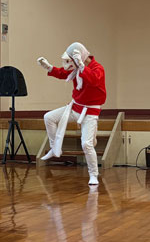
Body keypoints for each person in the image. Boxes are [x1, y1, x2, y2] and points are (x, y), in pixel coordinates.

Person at [37, 42, 106, 186]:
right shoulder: (76, 68)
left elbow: (94, 81)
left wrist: (81, 66)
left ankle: (93, 174)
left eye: (71, 60)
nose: (70, 64)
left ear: (80, 56)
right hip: (75, 108)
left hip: (90, 112)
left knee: (86, 144)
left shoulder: (97, 68)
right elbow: (63, 73)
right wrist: (49, 67)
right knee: (48, 117)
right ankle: (54, 148)